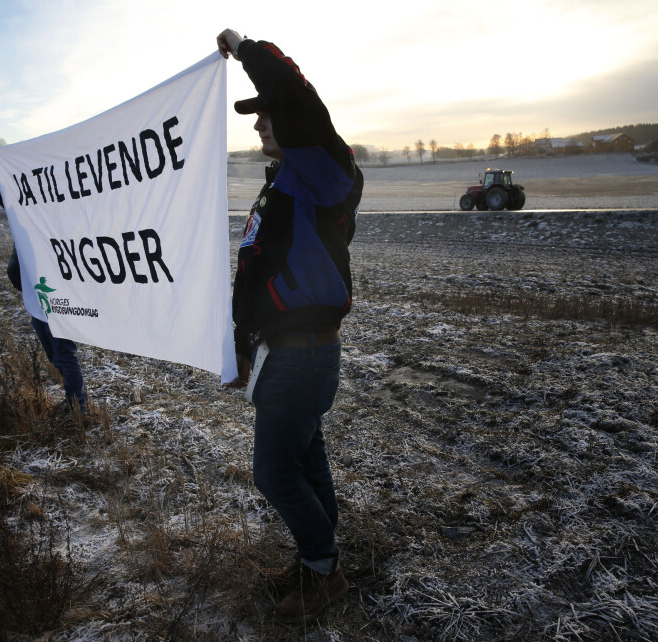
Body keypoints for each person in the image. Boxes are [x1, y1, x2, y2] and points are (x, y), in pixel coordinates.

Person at [217, 29, 363, 624]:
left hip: (304, 352)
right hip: (286, 350)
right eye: (254, 119)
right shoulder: (279, 186)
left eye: (266, 115)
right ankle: (318, 562)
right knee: (305, 459)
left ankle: (322, 565)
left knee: (274, 471)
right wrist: (245, 345)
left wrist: (248, 50)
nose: (257, 126)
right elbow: (257, 273)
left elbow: (301, 101)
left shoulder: (320, 172)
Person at [0, 142, 88, 415]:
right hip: (35, 294)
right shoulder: (26, 211)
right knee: (55, 355)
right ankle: (73, 401)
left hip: (58, 293)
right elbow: (3, 193)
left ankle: (79, 408)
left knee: (64, 353)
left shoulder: (63, 215)